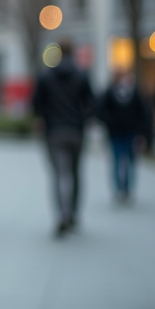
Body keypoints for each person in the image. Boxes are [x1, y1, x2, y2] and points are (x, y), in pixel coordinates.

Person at [32, 39, 94, 237]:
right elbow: (92, 104)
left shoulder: (46, 76)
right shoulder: (82, 76)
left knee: (58, 175)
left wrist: (45, 118)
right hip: (76, 131)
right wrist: (82, 120)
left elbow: (36, 104)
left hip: (54, 132)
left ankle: (61, 215)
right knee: (75, 174)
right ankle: (73, 214)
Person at [95, 69, 152, 204]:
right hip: (116, 133)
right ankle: (121, 189)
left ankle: (125, 189)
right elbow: (100, 111)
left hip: (129, 133)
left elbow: (143, 113)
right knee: (119, 161)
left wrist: (141, 132)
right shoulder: (110, 93)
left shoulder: (132, 93)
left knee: (127, 161)